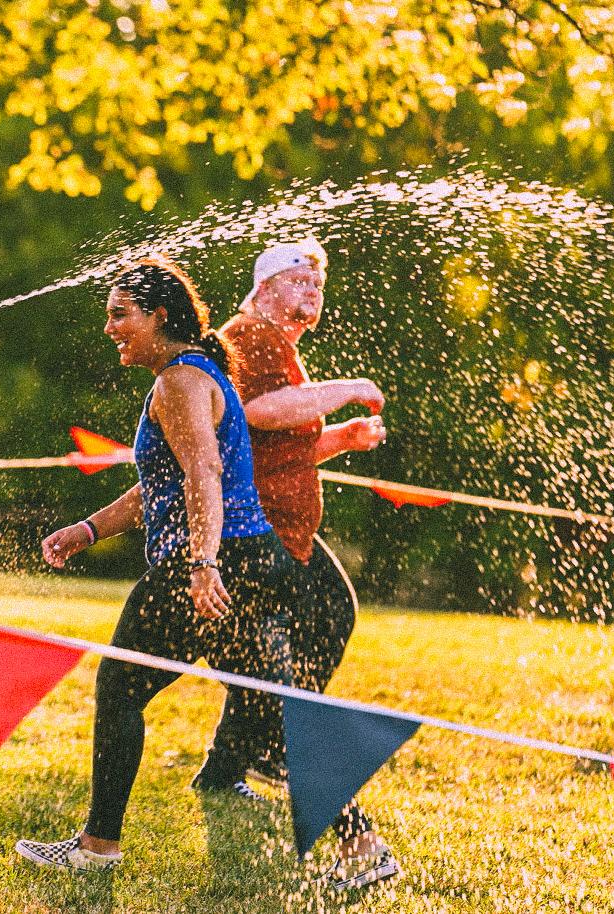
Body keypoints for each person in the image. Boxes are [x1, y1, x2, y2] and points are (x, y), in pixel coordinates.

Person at [14, 258, 300, 872]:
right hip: (251, 555)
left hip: (203, 563)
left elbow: (204, 472)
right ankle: (362, 845)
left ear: (158, 316)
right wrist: (89, 529)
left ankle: (98, 848)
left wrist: (201, 563)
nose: (112, 328)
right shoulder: (196, 374)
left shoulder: (179, 381)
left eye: (121, 315)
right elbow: (161, 487)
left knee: (119, 689)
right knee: (272, 704)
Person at [192, 237, 399, 890]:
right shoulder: (248, 335)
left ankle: (232, 763)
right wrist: (347, 391)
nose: (312, 289)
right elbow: (258, 412)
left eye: (319, 282)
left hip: (284, 535)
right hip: (252, 540)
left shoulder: (281, 349)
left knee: (332, 612)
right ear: (263, 288)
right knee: (282, 691)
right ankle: (353, 836)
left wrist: (341, 437)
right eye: (298, 279)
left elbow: (281, 449)